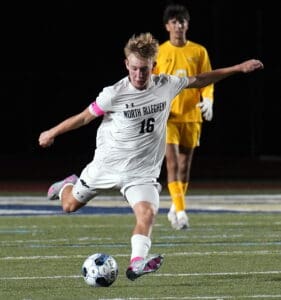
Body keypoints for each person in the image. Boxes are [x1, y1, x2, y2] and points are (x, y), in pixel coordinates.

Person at [38, 32, 263, 281]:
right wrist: (52, 132)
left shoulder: (166, 84)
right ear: (126, 65)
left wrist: (238, 68)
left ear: (153, 66)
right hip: (106, 167)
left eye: (144, 69)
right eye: (134, 69)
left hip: (141, 173)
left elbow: (199, 79)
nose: (138, 75)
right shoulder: (113, 93)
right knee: (69, 206)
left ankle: (136, 263)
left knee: (147, 213)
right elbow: (83, 117)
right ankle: (66, 186)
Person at [153, 3, 214, 230]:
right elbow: (151, 84)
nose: (178, 26)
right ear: (167, 26)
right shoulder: (160, 52)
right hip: (169, 118)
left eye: (182, 21)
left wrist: (208, 99)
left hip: (192, 116)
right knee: (172, 164)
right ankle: (180, 210)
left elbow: (207, 80)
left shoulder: (199, 51)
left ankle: (174, 205)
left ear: (187, 24)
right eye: (174, 22)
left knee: (185, 166)